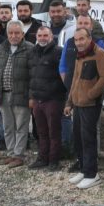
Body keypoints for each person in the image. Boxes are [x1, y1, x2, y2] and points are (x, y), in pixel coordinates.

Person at [64, 27, 104, 189]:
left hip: (91, 104)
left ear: (89, 38)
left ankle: (92, 174)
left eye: (82, 39)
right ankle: (84, 170)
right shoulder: (79, 56)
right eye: (76, 40)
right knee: (78, 138)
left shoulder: (100, 53)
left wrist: (91, 94)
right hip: (77, 104)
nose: (79, 43)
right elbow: (75, 81)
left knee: (88, 139)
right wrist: (69, 102)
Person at [0, 20, 34, 167]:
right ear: (7, 33)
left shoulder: (30, 49)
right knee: (7, 126)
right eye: (10, 33)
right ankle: (10, 153)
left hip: (21, 95)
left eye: (17, 33)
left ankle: (19, 155)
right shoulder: (0, 48)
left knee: (21, 127)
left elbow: (33, 75)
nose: (13, 36)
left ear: (22, 34)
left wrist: (32, 96)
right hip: (3, 94)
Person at [28, 25, 66, 170]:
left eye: (45, 36)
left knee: (54, 132)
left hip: (53, 99)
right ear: (36, 37)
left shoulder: (58, 52)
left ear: (51, 37)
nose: (42, 38)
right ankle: (42, 158)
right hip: (37, 100)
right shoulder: (33, 52)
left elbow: (64, 76)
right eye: (40, 36)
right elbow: (31, 76)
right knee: (41, 132)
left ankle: (54, 161)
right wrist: (31, 96)